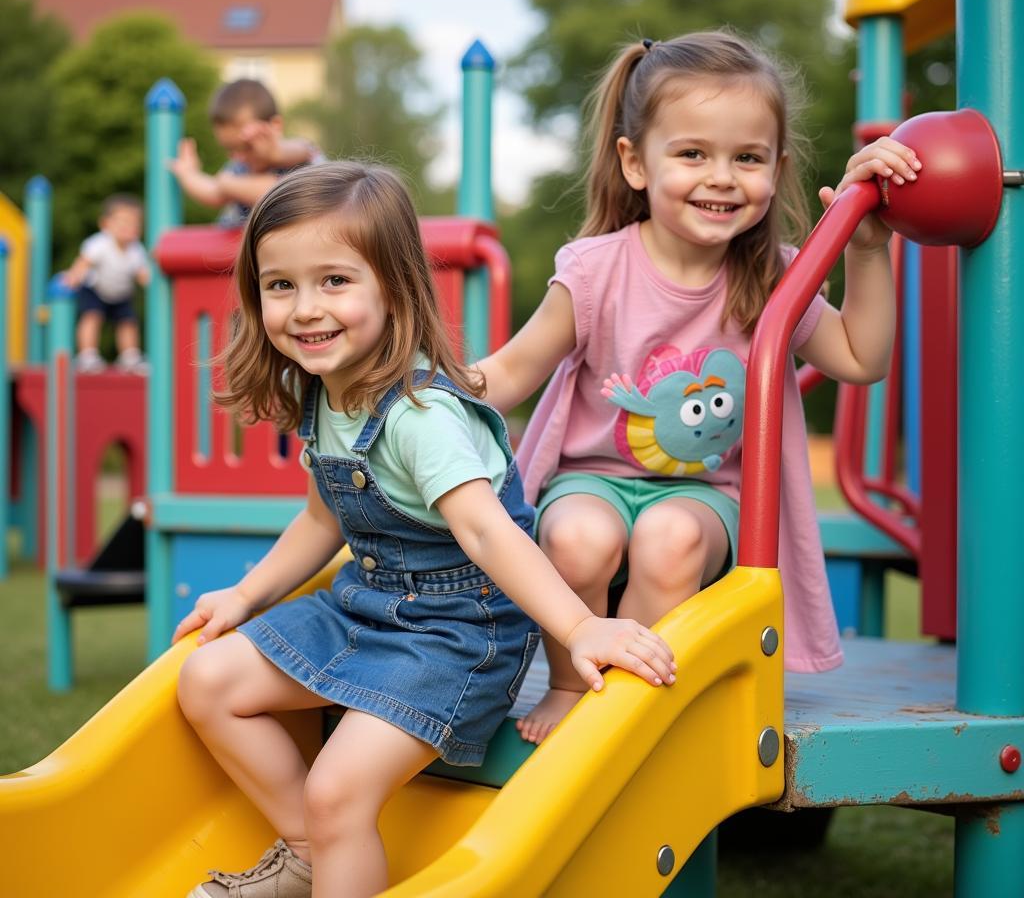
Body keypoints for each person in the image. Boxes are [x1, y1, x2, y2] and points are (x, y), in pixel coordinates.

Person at [173, 161, 675, 898]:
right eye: (281, 285)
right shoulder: (327, 392)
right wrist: (246, 596)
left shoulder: (420, 416)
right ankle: (312, 850)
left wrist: (578, 629)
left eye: (335, 281)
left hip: (457, 633)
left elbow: (486, 533)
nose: (306, 308)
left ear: (393, 287)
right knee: (207, 681)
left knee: (339, 790)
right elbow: (322, 516)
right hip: (365, 607)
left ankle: (327, 834)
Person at [475, 31, 918, 744]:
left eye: (747, 158)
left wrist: (867, 248)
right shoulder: (595, 271)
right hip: (592, 478)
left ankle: (633, 696)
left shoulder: (775, 274)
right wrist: (429, 393)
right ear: (636, 163)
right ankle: (569, 681)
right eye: (692, 154)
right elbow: (513, 370)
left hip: (707, 497)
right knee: (578, 538)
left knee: (670, 537)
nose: (721, 177)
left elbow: (861, 358)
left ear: (775, 168)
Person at [168, 78, 322, 228]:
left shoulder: (299, 160)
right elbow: (213, 192)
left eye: (246, 147)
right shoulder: (241, 167)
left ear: (275, 126)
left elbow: (301, 151)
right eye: (230, 149)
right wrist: (188, 174)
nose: (237, 156)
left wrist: (274, 153)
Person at [63, 193, 150, 372]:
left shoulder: (137, 250)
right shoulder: (100, 244)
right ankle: (87, 355)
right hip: (95, 289)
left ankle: (130, 356)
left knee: (128, 322)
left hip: (121, 293)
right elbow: (84, 261)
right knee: (92, 317)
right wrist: (73, 276)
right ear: (105, 224)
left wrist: (152, 285)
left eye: (135, 224)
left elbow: (143, 274)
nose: (129, 227)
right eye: (123, 222)